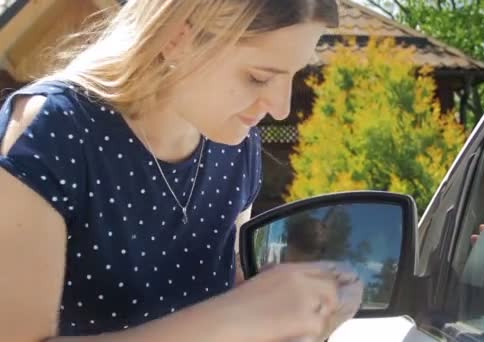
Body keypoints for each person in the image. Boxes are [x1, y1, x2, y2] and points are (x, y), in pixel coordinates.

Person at [0, 1, 362, 341]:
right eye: (258, 77)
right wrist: (239, 314)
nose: (280, 108)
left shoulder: (235, 145)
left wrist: (296, 305)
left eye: (294, 75)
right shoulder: (52, 133)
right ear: (176, 39)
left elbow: (212, 292)